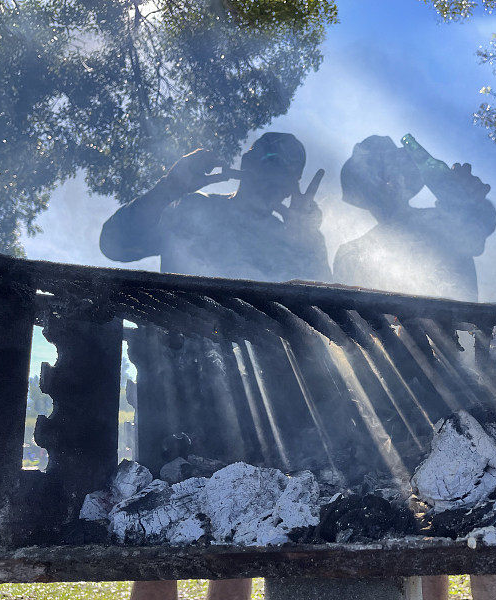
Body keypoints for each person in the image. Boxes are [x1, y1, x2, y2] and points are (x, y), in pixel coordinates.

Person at [100, 132, 330, 600]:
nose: (272, 172)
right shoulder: (194, 208)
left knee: (236, 527)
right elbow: (114, 245)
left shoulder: (291, 235)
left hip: (254, 398)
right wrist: (171, 186)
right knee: (156, 527)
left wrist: (311, 242)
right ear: (245, 163)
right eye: (264, 159)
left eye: (285, 169)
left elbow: (317, 311)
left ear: (293, 185)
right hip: (172, 387)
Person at [333, 135, 496, 600]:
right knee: (416, 517)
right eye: (374, 172)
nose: (386, 178)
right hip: (393, 395)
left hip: (463, 388)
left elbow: (480, 224)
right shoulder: (352, 252)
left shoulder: (443, 222)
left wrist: (459, 195)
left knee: (486, 518)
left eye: (393, 169)